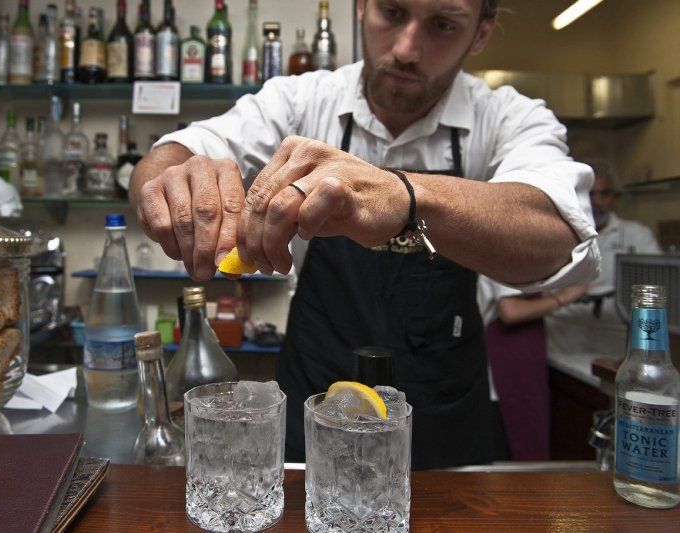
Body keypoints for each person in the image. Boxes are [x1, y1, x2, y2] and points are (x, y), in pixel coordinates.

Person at [130, 0, 599, 469]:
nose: (406, 49)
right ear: (360, 8)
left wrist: (408, 196)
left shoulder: (506, 118)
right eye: (392, 12)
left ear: (480, 33)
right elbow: (166, 160)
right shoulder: (301, 101)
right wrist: (176, 178)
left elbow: (559, 235)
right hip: (314, 403)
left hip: (442, 414)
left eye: (442, 25)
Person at [546, 164, 661, 358]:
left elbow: (656, 285)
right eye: (591, 194)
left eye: (604, 194)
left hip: (613, 333)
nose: (597, 201)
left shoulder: (637, 235)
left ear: (614, 196)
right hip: (563, 332)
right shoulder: (555, 234)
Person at [477, 276, 587, 461]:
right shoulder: (510, 249)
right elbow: (511, 311)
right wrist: (563, 297)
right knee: (519, 443)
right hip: (508, 356)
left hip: (519, 354)